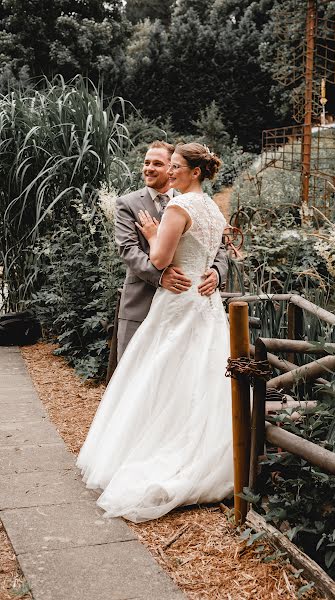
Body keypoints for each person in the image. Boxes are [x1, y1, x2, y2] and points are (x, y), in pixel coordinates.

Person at [77, 142, 234, 523]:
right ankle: (185, 451)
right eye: (151, 163)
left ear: (187, 170)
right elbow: (131, 253)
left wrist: (211, 269)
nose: (158, 169)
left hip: (182, 302)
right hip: (189, 305)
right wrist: (164, 268)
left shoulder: (181, 205)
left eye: (169, 164)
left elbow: (172, 254)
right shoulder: (205, 206)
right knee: (182, 378)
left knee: (161, 375)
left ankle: (154, 454)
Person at [115, 140, 228, 360]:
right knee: (136, 376)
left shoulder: (196, 204)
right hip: (141, 304)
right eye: (146, 162)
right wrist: (160, 277)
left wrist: (216, 272)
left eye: (158, 163)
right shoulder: (127, 204)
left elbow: (219, 248)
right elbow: (128, 249)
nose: (149, 168)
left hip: (188, 305)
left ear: (171, 166)